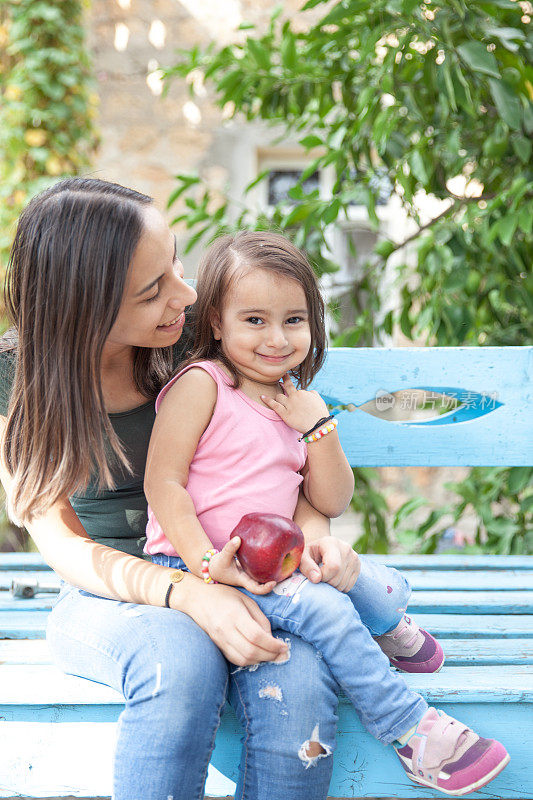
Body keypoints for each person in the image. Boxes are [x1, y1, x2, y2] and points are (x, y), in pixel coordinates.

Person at [1, 177, 378, 800]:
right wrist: (188, 593)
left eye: (175, 260)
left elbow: (293, 473)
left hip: (245, 573)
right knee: (178, 662)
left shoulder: (199, 355)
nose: (186, 292)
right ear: (84, 309)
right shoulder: (20, 378)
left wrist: (309, 546)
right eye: (153, 292)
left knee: (301, 675)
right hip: (107, 595)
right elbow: (63, 543)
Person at [144, 230, 510, 797]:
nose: (277, 338)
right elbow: (163, 484)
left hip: (275, 564)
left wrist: (317, 427)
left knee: (369, 579)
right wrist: (206, 561)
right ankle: (411, 729)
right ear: (215, 320)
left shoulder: (295, 399)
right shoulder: (203, 386)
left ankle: (387, 623)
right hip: (209, 566)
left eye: (294, 320)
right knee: (331, 613)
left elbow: (330, 500)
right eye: (255, 320)